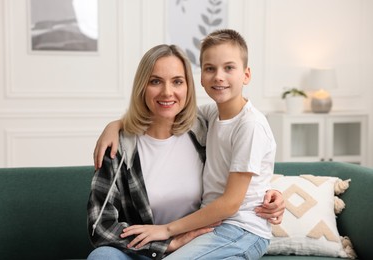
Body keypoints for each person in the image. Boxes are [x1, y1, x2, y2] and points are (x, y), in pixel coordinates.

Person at [88, 42, 284, 260]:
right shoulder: (120, 147)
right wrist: (166, 245)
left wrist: (272, 193)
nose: (167, 92)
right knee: (102, 256)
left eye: (177, 82)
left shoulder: (203, 128)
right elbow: (100, 226)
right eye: (155, 81)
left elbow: (242, 167)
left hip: (199, 243)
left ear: (189, 86)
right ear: (142, 86)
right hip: (144, 248)